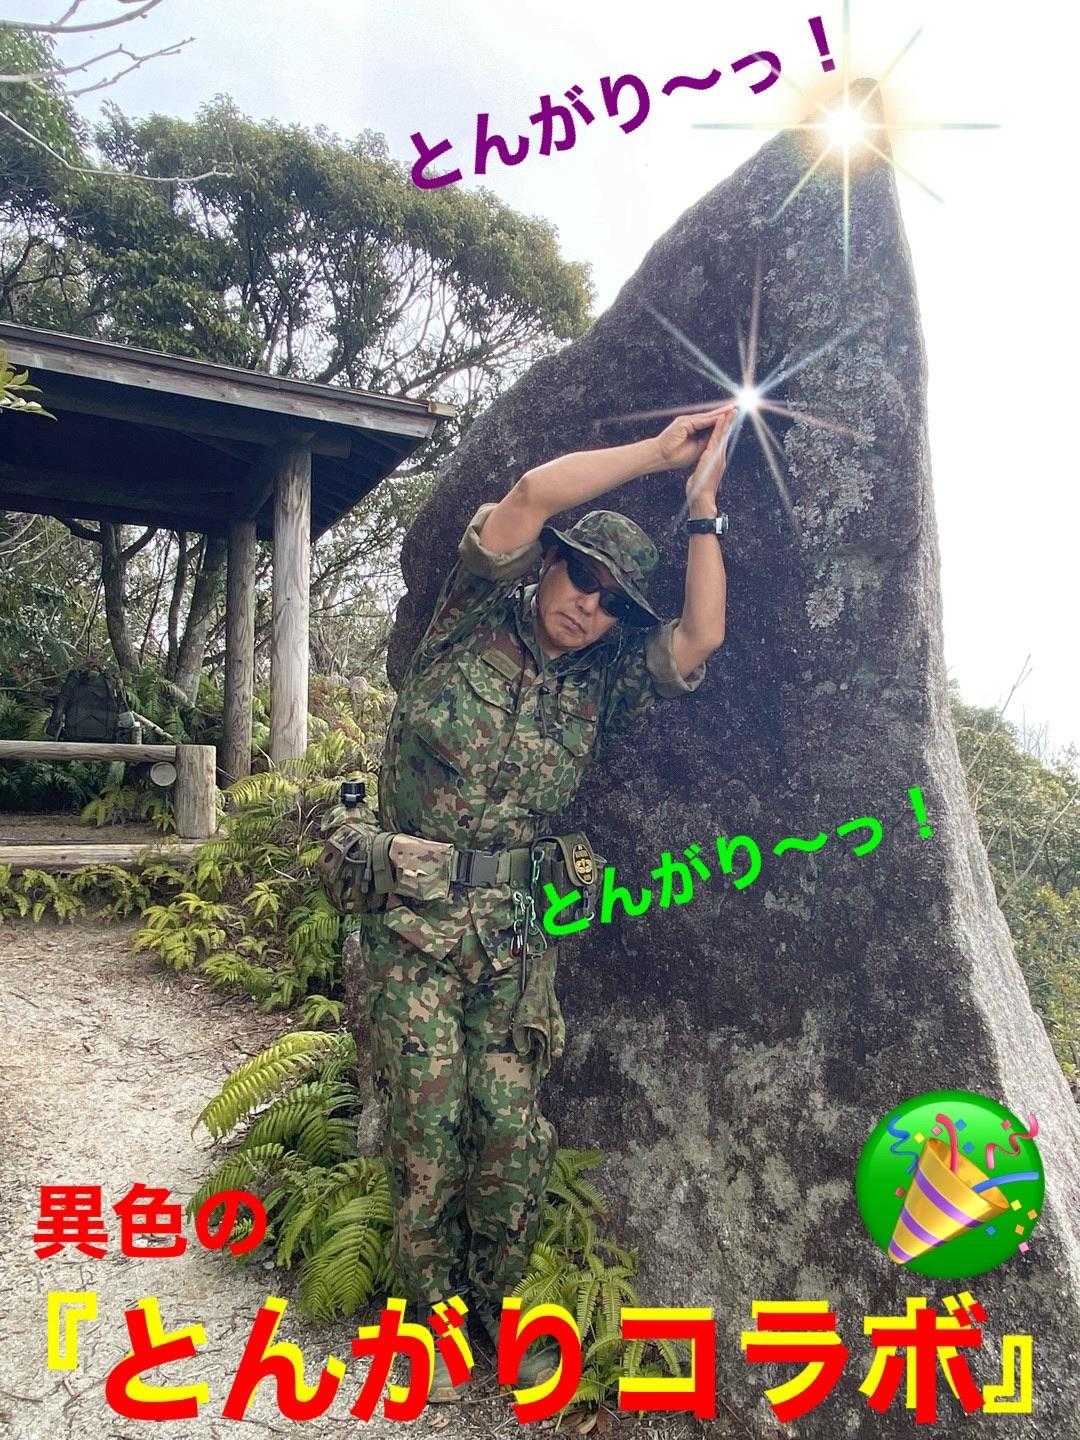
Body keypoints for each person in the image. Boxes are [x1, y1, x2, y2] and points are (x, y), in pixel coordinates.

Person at [357, 403, 735, 1401]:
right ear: (550, 567)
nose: (588, 607)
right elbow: (527, 497)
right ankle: (425, 1320)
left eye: (611, 603)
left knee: (511, 1131)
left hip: (514, 937)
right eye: (582, 579)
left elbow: (701, 635)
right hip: (412, 925)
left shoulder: (606, 680)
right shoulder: (470, 614)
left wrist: (703, 506)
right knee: (426, 1128)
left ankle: (502, 1311)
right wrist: (657, 454)